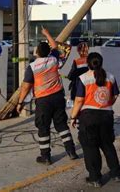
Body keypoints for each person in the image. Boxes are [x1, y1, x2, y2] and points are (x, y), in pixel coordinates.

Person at [16, 27, 78, 165]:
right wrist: (47, 33)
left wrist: (20, 103)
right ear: (48, 52)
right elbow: (55, 46)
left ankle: (46, 157)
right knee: (61, 125)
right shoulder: (54, 60)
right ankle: (71, 151)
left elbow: (26, 86)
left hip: (43, 101)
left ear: (37, 52)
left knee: (43, 128)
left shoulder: (32, 67)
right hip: (57, 98)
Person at [70, 52, 120, 187]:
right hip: (106, 116)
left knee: (90, 147)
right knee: (107, 145)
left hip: (88, 118)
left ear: (88, 63)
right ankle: (117, 173)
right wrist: (107, 104)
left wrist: (73, 117)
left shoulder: (83, 78)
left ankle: (95, 178)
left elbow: (79, 100)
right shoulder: (111, 77)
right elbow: (115, 95)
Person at [67, 42, 90, 107]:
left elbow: (71, 74)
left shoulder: (76, 61)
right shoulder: (91, 59)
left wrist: (69, 77)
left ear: (78, 51)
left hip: (79, 86)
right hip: (89, 85)